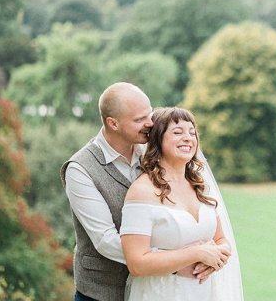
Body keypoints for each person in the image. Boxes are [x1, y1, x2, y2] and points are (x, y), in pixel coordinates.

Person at [61, 82, 241, 301]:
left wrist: (211, 258)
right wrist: (178, 263)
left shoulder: (154, 148)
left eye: (148, 114)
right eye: (139, 119)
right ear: (113, 123)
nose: (150, 123)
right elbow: (106, 240)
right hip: (102, 291)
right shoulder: (80, 169)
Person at [120, 107, 244, 301]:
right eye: (177, 132)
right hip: (161, 294)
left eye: (192, 133)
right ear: (157, 140)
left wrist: (216, 259)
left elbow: (221, 239)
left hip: (203, 292)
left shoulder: (199, 186)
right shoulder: (142, 191)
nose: (188, 138)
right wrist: (197, 253)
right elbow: (137, 263)